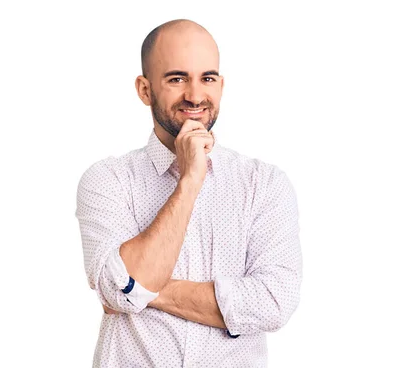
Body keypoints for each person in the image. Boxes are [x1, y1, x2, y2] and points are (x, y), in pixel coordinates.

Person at [75, 19, 302, 367]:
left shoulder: (264, 184)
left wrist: (142, 290)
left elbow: (273, 302)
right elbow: (117, 288)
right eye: (177, 78)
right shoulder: (108, 181)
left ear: (221, 86)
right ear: (144, 89)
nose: (195, 96)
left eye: (207, 78)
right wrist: (190, 181)